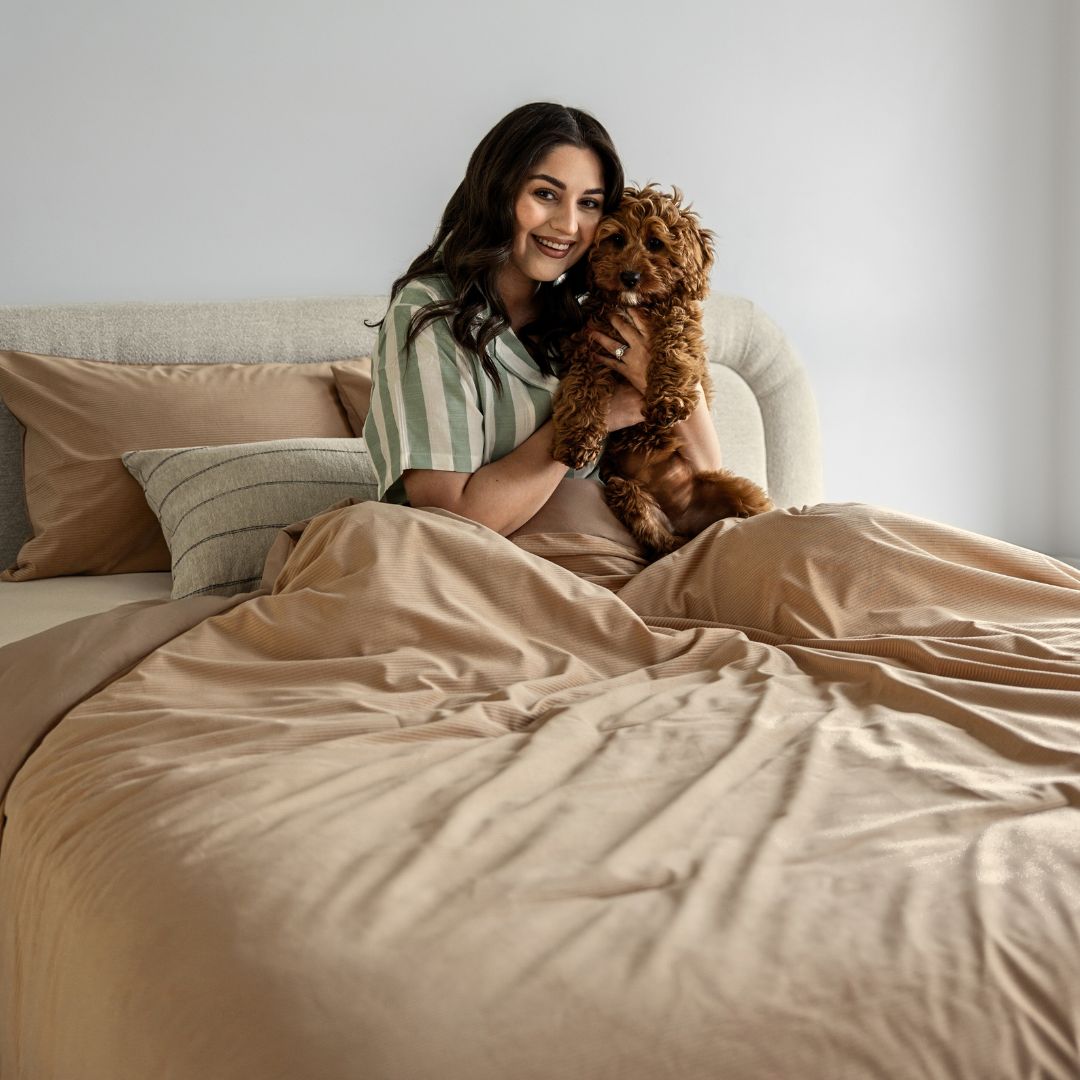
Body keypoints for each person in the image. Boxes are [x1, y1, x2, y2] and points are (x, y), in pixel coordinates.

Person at [363, 101, 724, 537]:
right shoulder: (429, 315)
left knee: (816, 537)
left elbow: (708, 468)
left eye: (589, 203)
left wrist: (652, 377)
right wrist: (597, 418)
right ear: (498, 191)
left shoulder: (585, 313)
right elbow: (451, 522)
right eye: (545, 194)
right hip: (520, 570)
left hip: (622, 555)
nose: (568, 224)